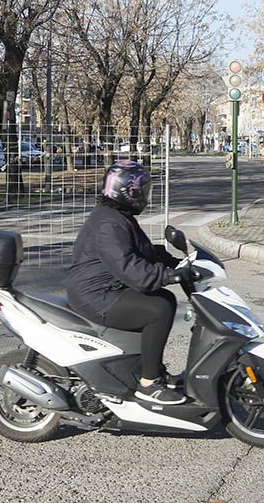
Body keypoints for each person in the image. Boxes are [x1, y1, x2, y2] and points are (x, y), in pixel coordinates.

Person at [66, 160, 205, 406]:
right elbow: (131, 269)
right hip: (96, 296)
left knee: (163, 300)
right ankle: (149, 383)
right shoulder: (109, 224)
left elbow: (142, 250)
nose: (145, 195)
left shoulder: (118, 216)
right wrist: (169, 275)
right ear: (127, 191)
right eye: (142, 190)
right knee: (158, 308)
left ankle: (152, 370)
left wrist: (176, 262)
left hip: (107, 288)